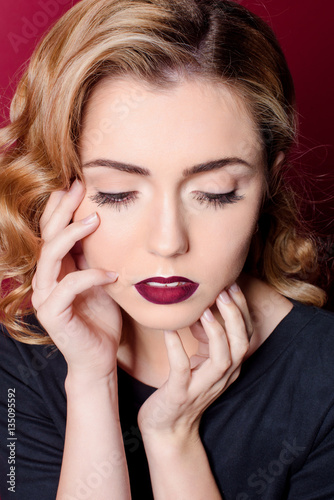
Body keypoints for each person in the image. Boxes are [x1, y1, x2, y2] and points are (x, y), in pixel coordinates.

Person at [0, 0, 333, 498]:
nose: (167, 242)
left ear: (269, 181)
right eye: (117, 192)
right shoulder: (19, 362)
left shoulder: (324, 377)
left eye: (216, 192)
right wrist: (91, 384)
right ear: (57, 188)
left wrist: (172, 440)